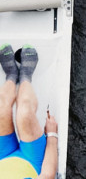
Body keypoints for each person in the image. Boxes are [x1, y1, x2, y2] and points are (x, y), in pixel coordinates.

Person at [0, 45, 57, 179]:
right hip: (32, 161)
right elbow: (47, 175)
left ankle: (12, 75)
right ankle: (25, 76)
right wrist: (52, 135)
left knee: (1, 108)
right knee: (25, 111)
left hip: (2, 157)